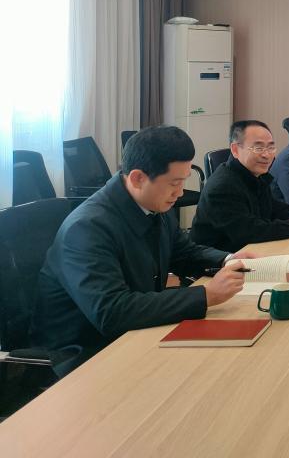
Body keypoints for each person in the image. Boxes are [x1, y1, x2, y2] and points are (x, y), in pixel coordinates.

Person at [32, 126, 256, 376]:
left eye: (183, 181)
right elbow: (112, 312)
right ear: (138, 178)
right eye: (174, 183)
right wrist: (206, 295)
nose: (180, 192)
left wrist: (228, 259)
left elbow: (183, 252)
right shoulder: (87, 228)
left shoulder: (152, 204)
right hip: (86, 353)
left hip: (136, 331)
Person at [191, 120, 289, 253]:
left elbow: (272, 207)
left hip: (248, 251)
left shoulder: (255, 173)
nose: (266, 155)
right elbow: (250, 231)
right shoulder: (222, 187)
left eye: (270, 147)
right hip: (221, 259)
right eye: (258, 148)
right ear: (235, 150)